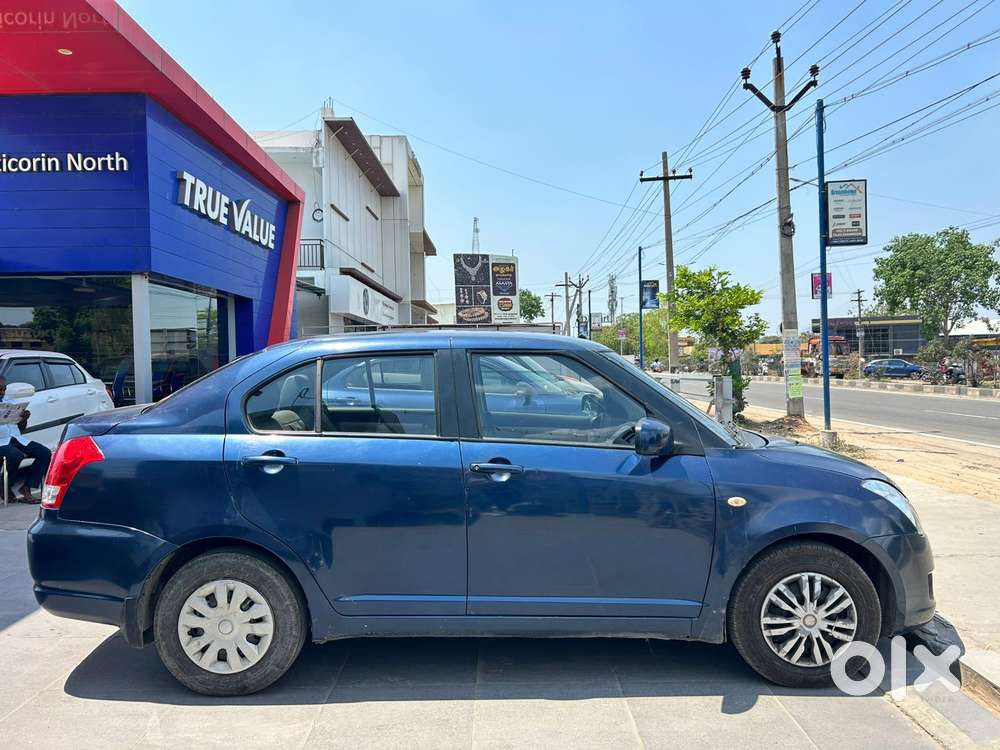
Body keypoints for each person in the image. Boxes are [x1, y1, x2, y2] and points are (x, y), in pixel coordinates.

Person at [0, 376, 51, 504]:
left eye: (4, 389)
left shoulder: (9, 403)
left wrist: (24, 419)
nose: (2, 392)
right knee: (16, 455)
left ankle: (26, 488)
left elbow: (21, 429)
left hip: (16, 438)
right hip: (1, 442)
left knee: (44, 453)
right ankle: (4, 486)